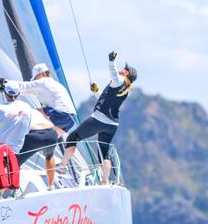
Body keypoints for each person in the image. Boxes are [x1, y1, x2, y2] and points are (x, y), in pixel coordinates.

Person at [62, 51, 137, 184]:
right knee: (104, 153)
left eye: (124, 68)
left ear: (126, 73)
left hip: (99, 120)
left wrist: (111, 60)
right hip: (112, 125)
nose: (121, 68)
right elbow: (107, 100)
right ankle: (105, 181)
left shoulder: (119, 81)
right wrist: (97, 91)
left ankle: (62, 167)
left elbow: (113, 73)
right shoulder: (125, 88)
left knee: (72, 138)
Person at [7, 63, 77, 137]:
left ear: (40, 74)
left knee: (27, 113)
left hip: (60, 114)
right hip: (71, 120)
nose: (35, 80)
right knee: (48, 139)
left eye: (35, 78)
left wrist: (6, 83)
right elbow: (27, 91)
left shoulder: (43, 81)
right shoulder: (56, 84)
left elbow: (23, 87)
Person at [17, 109, 59, 189]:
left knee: (14, 162)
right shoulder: (34, 111)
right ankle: (50, 186)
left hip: (35, 136)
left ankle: (13, 189)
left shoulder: (15, 113)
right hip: (51, 134)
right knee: (49, 156)